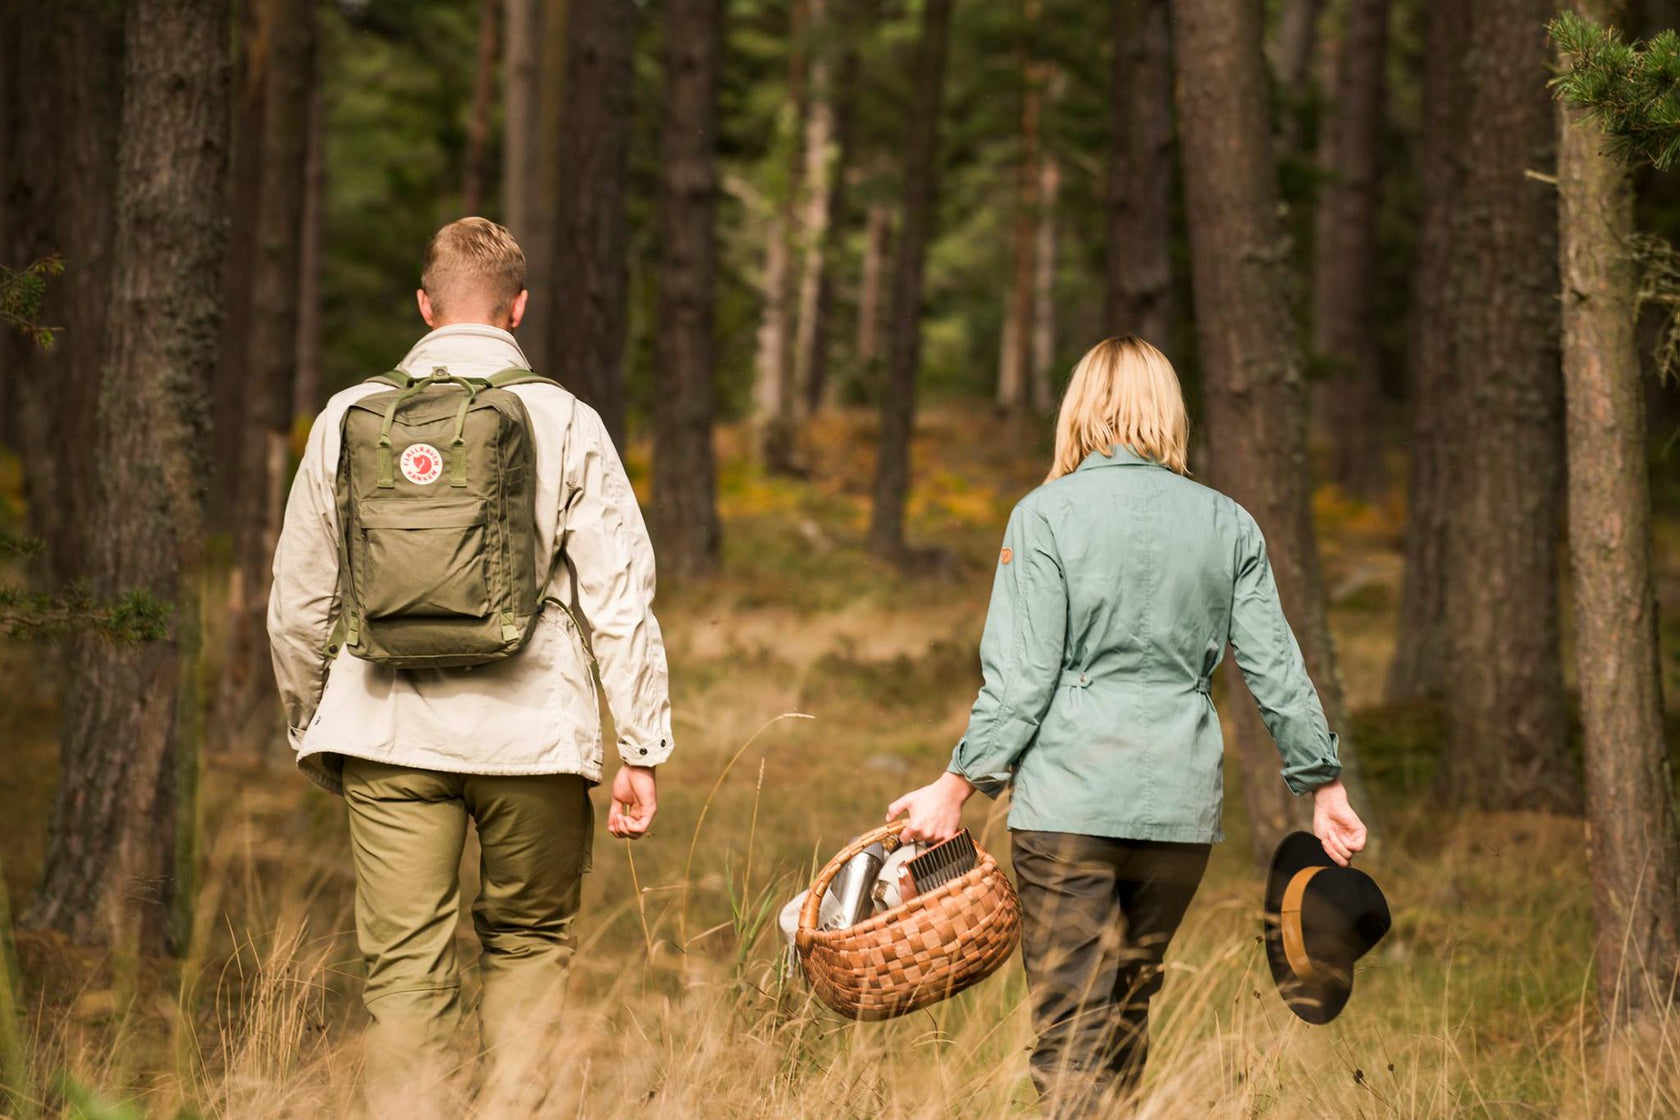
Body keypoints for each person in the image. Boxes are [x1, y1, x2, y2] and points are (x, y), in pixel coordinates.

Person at [886, 335, 1367, 1117]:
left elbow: (1023, 677)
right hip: (1178, 813)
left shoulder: (1044, 515)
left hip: (1068, 810)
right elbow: (1276, 667)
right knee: (1128, 1008)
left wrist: (957, 786)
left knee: (1071, 1024)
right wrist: (1323, 783)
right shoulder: (1228, 523)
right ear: (1167, 413)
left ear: (1080, 408)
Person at [267, 217, 672, 1111]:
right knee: (529, 945)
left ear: (424, 304)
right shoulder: (566, 417)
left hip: (385, 731)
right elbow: (620, 596)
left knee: (405, 969)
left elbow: (298, 597)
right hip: (533, 742)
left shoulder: (348, 416)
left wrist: (314, 722)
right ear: (517, 308)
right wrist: (641, 745)